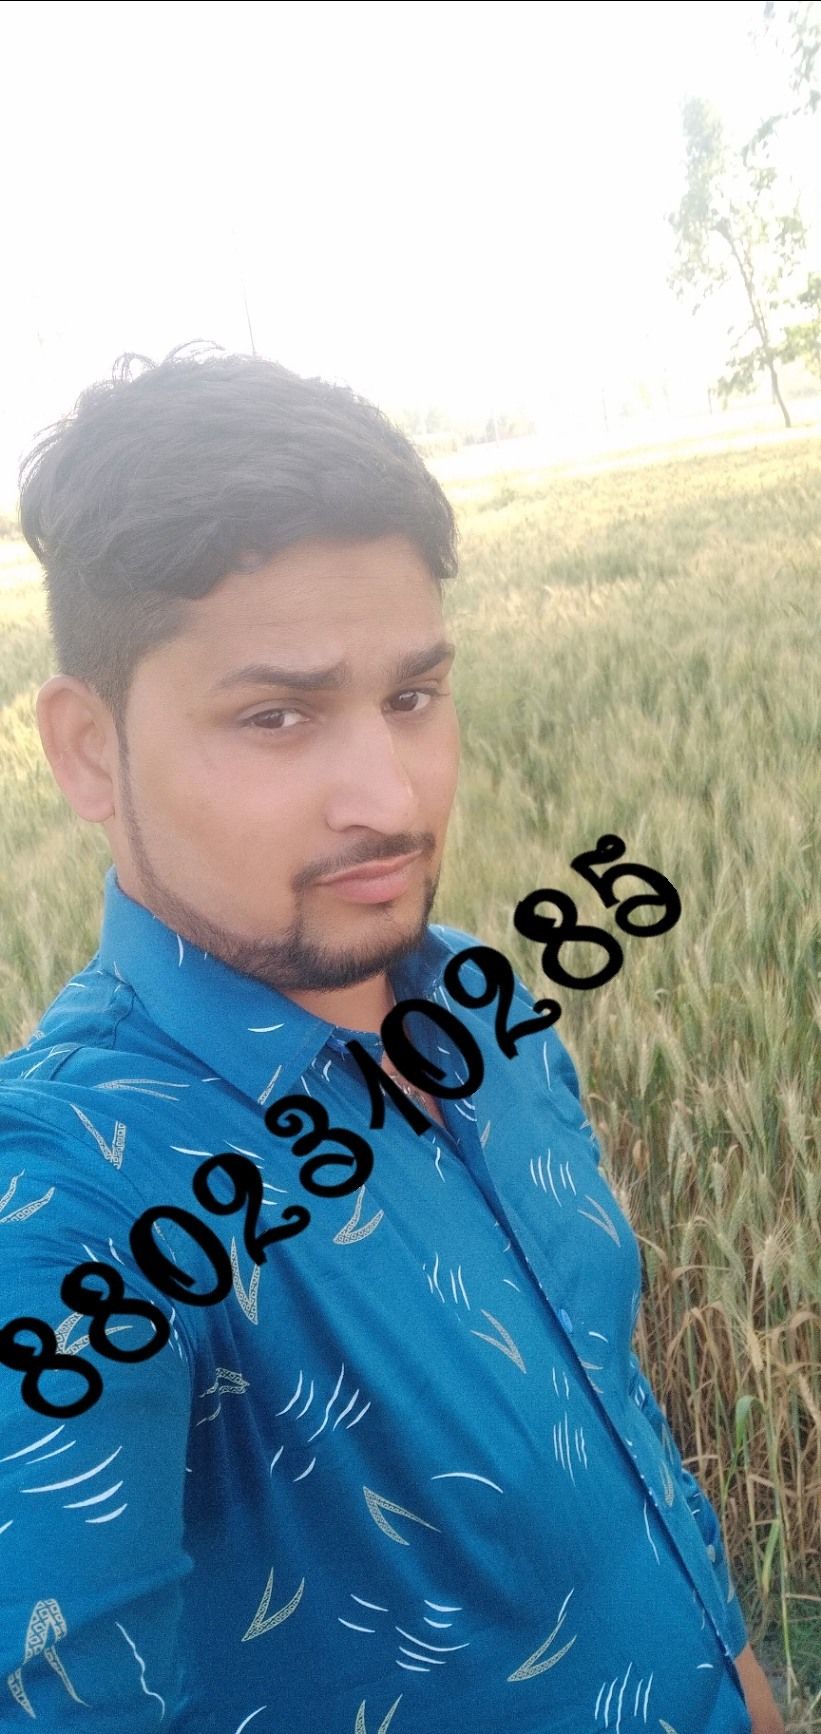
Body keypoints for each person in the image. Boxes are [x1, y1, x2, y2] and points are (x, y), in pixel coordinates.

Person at [0, 344, 782, 1734]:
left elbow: (609, 1410)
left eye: (413, 696)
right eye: (277, 715)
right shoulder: (67, 1198)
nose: (392, 795)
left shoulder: (485, 1004)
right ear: (88, 751)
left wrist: (741, 1675)